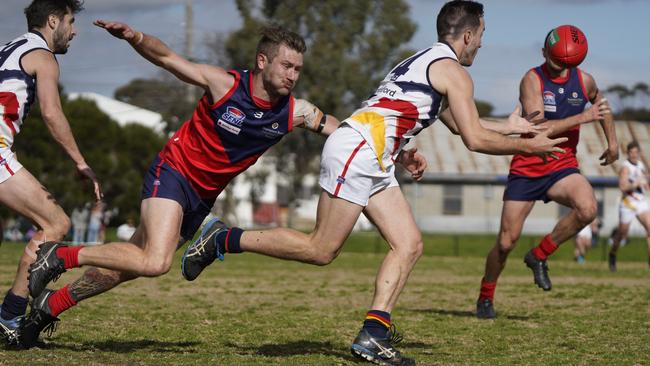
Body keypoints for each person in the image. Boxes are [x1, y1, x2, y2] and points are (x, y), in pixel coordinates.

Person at [179, 2, 568, 365]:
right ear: (467, 36)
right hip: (359, 150)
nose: (482, 43)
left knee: (409, 243)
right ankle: (221, 239)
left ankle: (372, 334)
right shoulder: (454, 72)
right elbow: (474, 139)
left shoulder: (424, 62)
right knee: (320, 250)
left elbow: (462, 123)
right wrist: (529, 148)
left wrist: (512, 126)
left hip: (372, 153)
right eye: (481, 34)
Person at [21, 21, 340, 348]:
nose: (293, 75)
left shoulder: (294, 112)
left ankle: (50, 306)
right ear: (262, 61)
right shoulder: (224, 84)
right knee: (156, 262)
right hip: (173, 173)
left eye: (298, 69)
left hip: (200, 200)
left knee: (127, 265)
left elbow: (341, 131)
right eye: (287, 66)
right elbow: (168, 59)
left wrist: (383, 135)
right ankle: (60, 256)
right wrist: (136, 38)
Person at [475, 26, 618, 319]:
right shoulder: (532, 80)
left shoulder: (585, 81)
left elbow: (601, 107)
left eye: (566, 64)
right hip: (528, 166)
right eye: (555, 61)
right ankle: (486, 295)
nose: (560, 67)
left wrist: (613, 143)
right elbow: (538, 129)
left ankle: (539, 254)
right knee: (504, 243)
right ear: (543, 53)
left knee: (588, 208)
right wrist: (583, 117)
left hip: (562, 165)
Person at [0, 0, 102, 345]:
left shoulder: (9, 48)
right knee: (55, 223)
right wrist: (80, 162)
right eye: (71, 23)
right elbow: (52, 113)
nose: (74, 32)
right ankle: (9, 319)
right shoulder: (43, 56)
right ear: (53, 20)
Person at [608, 141, 650, 272]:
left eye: (636, 152)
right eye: (631, 152)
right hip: (628, 204)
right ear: (628, 153)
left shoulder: (641, 165)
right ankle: (613, 254)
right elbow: (623, 187)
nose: (634, 155)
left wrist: (644, 184)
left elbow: (643, 181)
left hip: (640, 202)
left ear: (639, 153)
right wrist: (636, 184)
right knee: (622, 234)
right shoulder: (625, 167)